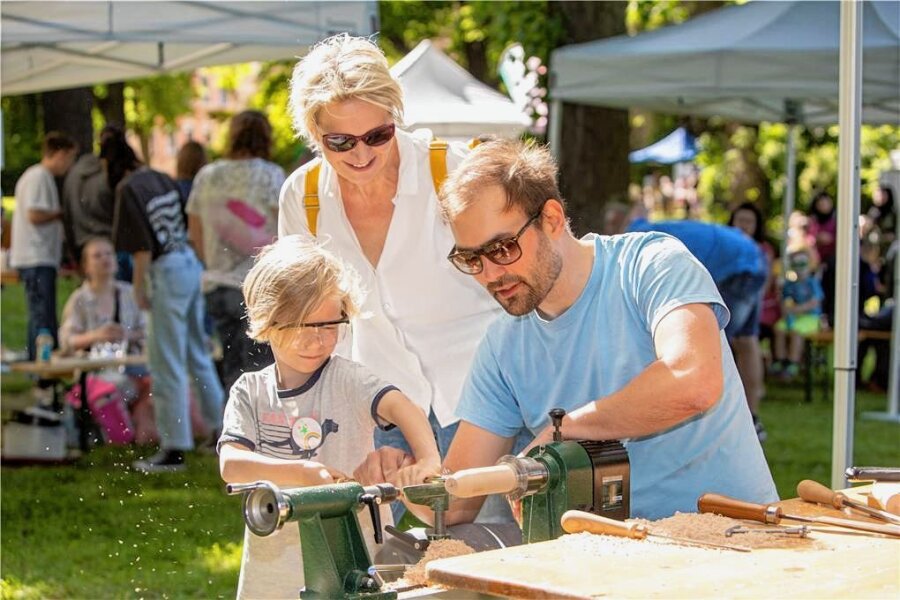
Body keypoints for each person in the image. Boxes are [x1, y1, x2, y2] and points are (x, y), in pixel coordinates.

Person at [364, 140, 777, 523]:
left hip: (732, 536)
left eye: (503, 248)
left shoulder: (651, 264)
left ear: (552, 219)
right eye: (472, 259)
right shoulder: (502, 345)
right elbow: (456, 500)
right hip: (613, 560)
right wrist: (403, 479)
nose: (491, 274)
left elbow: (693, 381)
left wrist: (566, 431)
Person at [279, 35, 501, 477]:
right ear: (313, 134)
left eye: (377, 135)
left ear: (395, 117)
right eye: (340, 142)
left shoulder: (452, 172)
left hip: (478, 400)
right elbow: (301, 318)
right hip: (383, 407)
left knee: (494, 540)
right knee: (391, 544)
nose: (361, 154)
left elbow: (510, 282)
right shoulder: (301, 198)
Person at [218, 235, 440, 598]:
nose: (317, 340)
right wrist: (302, 474)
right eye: (302, 326)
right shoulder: (250, 392)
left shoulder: (348, 379)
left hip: (354, 553)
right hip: (275, 562)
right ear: (267, 322)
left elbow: (402, 407)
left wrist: (428, 458)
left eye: (329, 325)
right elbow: (232, 464)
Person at [103, 127, 224, 472]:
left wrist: (139, 289)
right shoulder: (158, 176)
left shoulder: (128, 189)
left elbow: (142, 248)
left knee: (166, 362)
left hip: (165, 273)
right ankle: (220, 433)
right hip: (187, 263)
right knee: (197, 354)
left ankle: (174, 448)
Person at [624, 206, 769, 442]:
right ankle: (752, 419)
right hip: (752, 259)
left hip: (736, 267)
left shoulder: (634, 243)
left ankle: (722, 423)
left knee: (713, 344)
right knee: (746, 340)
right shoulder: (661, 229)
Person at [187, 111, 283, 392]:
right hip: (260, 285)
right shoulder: (271, 175)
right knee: (262, 370)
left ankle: (233, 430)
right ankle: (262, 433)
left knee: (231, 366)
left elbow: (195, 231)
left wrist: (213, 263)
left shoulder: (207, 176)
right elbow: (285, 229)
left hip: (217, 284)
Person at [9, 131, 78, 360]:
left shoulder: (41, 176)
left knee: (44, 314)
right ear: (59, 154)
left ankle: (43, 366)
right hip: (35, 257)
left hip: (42, 257)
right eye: (69, 158)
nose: (69, 165)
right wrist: (61, 213)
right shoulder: (38, 176)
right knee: (41, 316)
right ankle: (40, 368)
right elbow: (34, 214)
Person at [62, 126, 134, 282]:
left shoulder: (76, 173)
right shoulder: (115, 175)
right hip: (113, 251)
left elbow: (67, 216)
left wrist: (73, 256)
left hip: (85, 249)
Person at [771, 246, 824, 380]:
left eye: (802, 263)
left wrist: (795, 309)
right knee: (779, 328)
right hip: (793, 317)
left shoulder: (812, 283)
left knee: (796, 331)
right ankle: (780, 360)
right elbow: (785, 302)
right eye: (796, 264)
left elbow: (814, 303)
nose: (799, 268)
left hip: (811, 318)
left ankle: (792, 362)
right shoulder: (789, 285)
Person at [807, 191, 837, 265]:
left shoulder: (836, 219)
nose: (824, 206)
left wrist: (832, 239)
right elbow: (808, 239)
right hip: (816, 259)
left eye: (826, 203)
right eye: (821, 204)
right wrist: (816, 239)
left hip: (833, 258)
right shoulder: (813, 221)